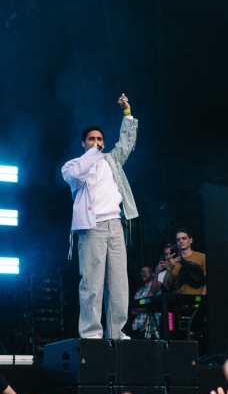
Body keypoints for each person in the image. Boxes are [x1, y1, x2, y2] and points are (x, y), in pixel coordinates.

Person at [61, 93, 138, 340]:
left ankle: (117, 332)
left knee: (118, 285)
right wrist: (92, 153)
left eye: (100, 139)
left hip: (115, 224)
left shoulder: (111, 161)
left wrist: (127, 113)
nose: (96, 142)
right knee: (92, 284)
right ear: (83, 143)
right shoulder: (74, 165)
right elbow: (74, 176)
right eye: (91, 139)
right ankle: (91, 333)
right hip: (91, 228)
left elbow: (126, 143)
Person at [162, 228, 206, 295]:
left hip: (199, 299)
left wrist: (202, 298)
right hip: (181, 301)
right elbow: (166, 285)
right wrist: (169, 268)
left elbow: (208, 281)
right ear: (176, 243)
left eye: (184, 238)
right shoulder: (173, 261)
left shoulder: (201, 257)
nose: (181, 241)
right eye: (178, 239)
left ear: (190, 240)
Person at [131, 265, 160, 339]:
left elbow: (149, 306)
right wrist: (143, 308)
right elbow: (132, 310)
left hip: (151, 327)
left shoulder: (155, 287)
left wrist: (138, 308)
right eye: (142, 272)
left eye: (146, 271)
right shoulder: (139, 291)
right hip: (137, 326)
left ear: (152, 274)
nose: (144, 274)